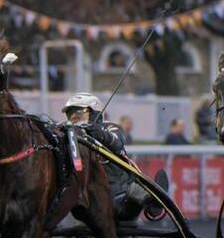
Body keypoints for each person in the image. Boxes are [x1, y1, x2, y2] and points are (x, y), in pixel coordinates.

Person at [62, 93, 167, 221]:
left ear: (95, 111)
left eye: (78, 111)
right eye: (69, 113)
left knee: (135, 190)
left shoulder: (110, 128)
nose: (73, 116)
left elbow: (116, 143)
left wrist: (95, 132)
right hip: (89, 199)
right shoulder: (67, 133)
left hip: (120, 196)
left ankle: (155, 201)